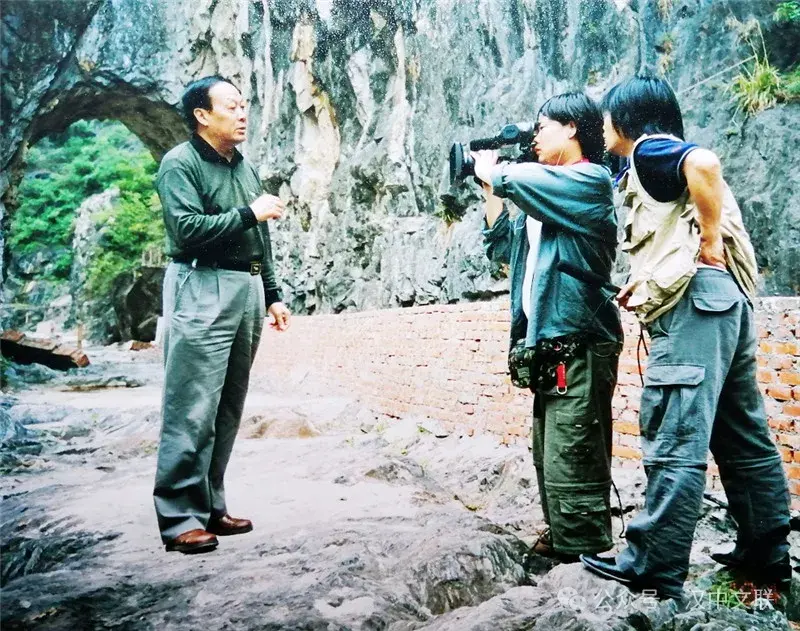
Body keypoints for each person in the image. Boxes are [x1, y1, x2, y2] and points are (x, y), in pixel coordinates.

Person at [580, 75, 791, 599]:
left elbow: (704, 164)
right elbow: (676, 234)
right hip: (726, 304)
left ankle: (652, 564)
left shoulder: (650, 150)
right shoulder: (651, 165)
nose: (603, 128)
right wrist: (647, 279)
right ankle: (767, 555)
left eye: (607, 119)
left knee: (675, 433)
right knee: (742, 435)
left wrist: (711, 244)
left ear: (624, 120)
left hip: (696, 309)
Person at [475, 93, 623, 562]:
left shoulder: (590, 181)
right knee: (550, 449)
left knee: (574, 447)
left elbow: (510, 177)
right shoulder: (547, 196)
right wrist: (488, 189)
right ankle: (565, 539)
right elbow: (502, 249)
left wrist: (491, 169)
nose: (534, 137)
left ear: (572, 129)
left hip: (579, 336)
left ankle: (586, 551)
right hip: (548, 342)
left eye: (542, 127)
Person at [153, 75, 291, 554]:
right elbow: (187, 230)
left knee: (227, 405)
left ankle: (212, 505)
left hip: (246, 286)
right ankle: (178, 518)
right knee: (191, 405)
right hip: (200, 282)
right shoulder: (179, 164)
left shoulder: (242, 165)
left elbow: (261, 236)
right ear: (202, 115)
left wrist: (271, 291)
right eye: (231, 106)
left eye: (243, 105)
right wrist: (249, 214)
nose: (241, 113)